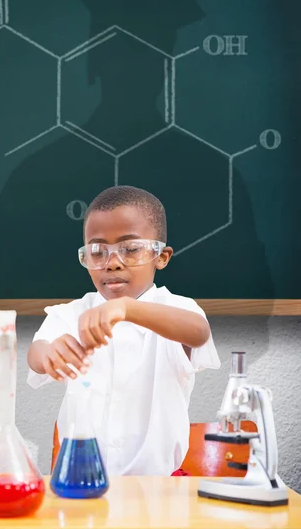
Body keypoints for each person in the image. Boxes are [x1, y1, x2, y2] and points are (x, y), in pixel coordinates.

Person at [27, 185, 220, 476]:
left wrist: (127, 308)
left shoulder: (176, 308)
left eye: (130, 250)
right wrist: (49, 354)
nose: (112, 263)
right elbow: (36, 352)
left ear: (162, 257)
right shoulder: (72, 313)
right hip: (81, 482)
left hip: (160, 489)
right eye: (97, 251)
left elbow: (198, 332)